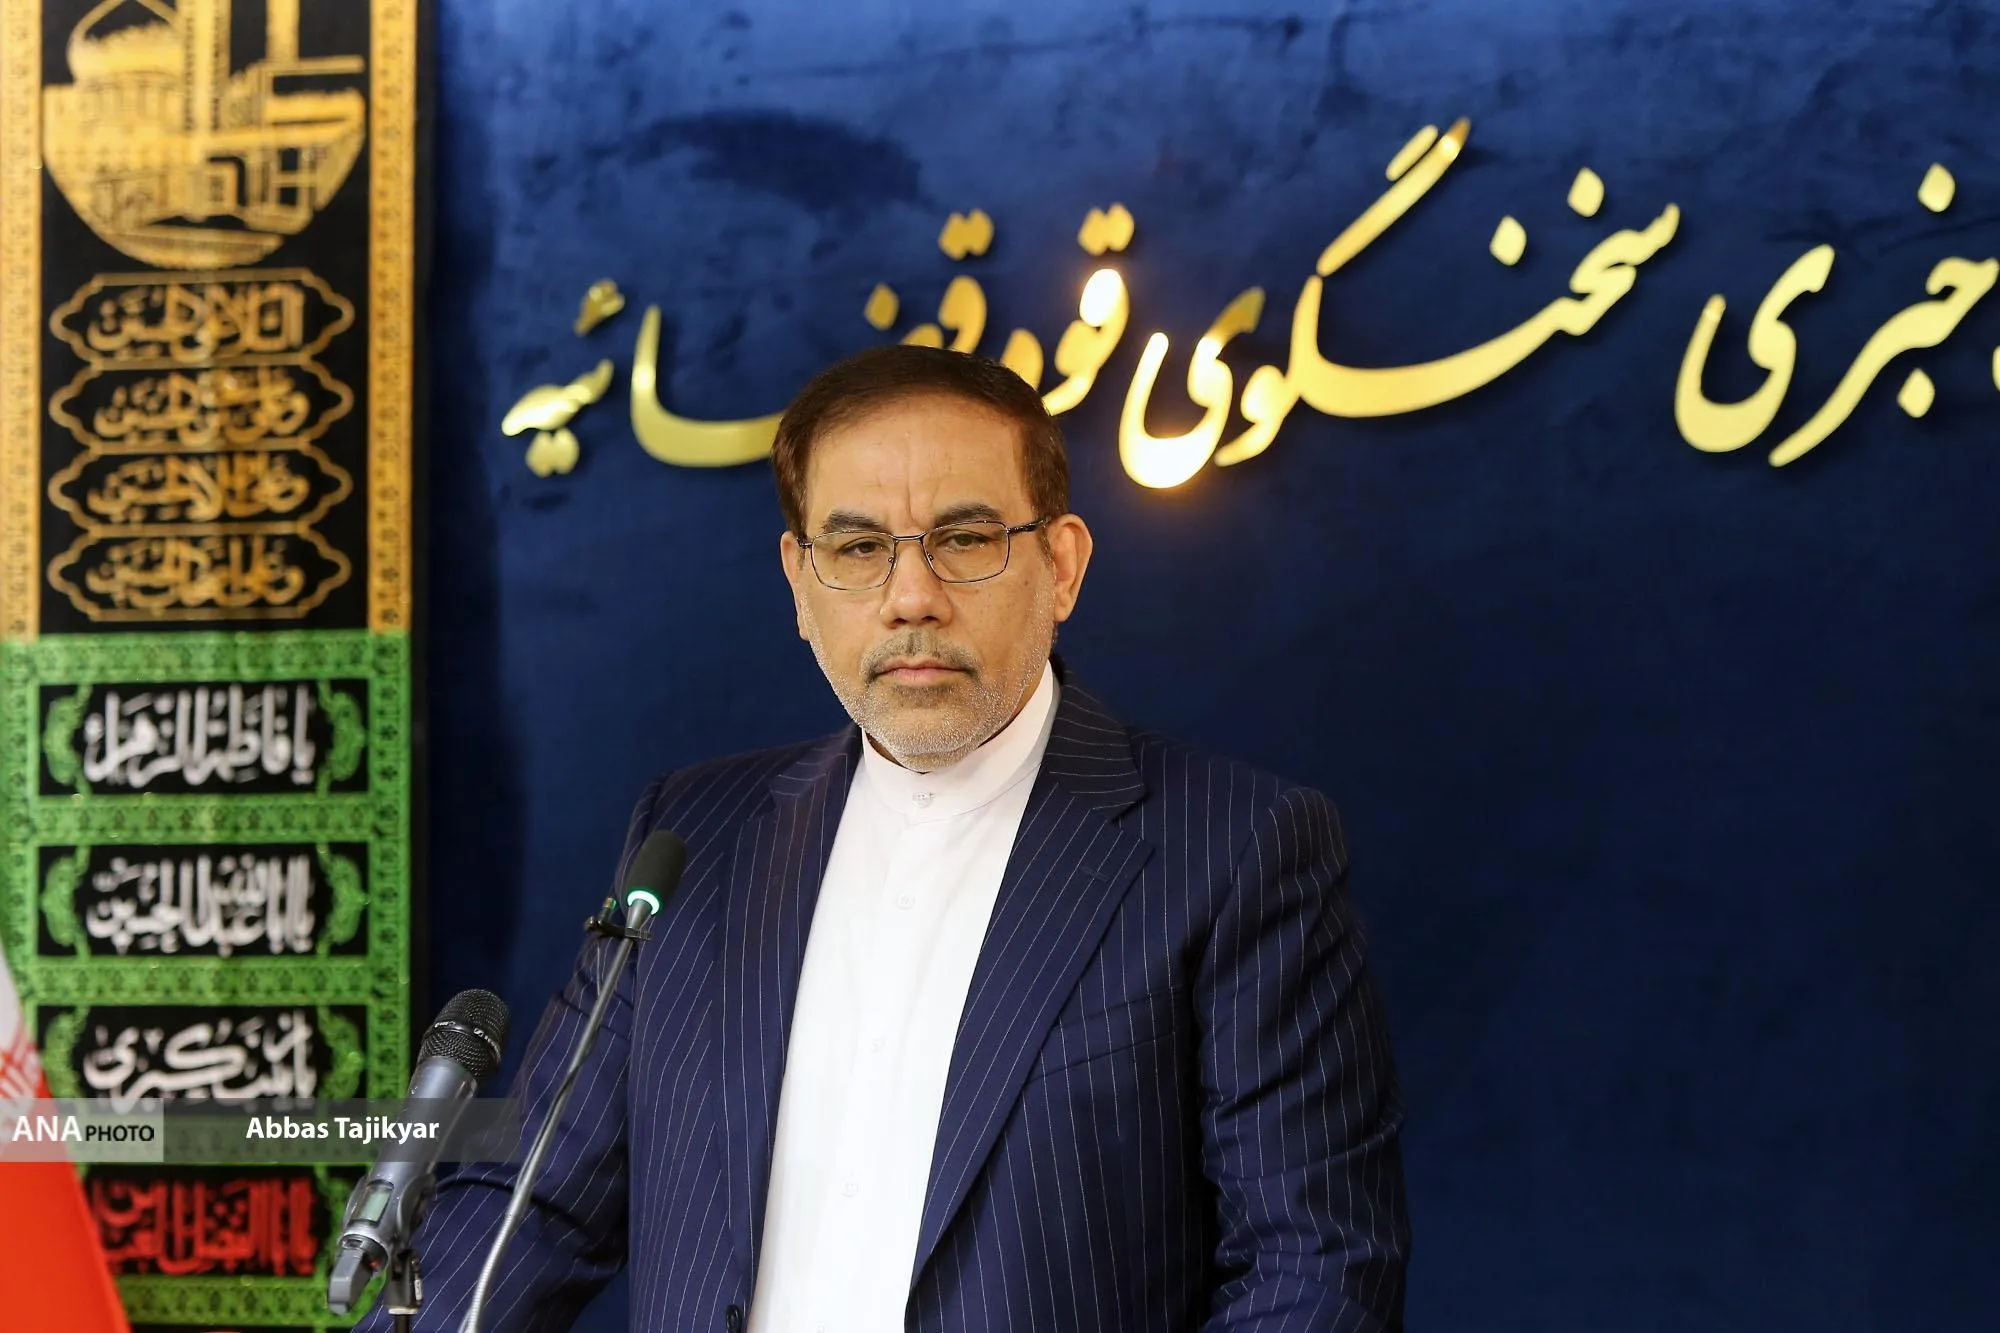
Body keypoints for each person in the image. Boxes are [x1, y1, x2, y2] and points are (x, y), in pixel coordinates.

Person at [376, 346, 1410, 1332]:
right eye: (859, 548)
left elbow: (1315, 1263)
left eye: (964, 540)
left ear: (1060, 566)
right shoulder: (691, 838)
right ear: (800, 581)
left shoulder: (1234, 849)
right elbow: (535, 1199)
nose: (911, 598)